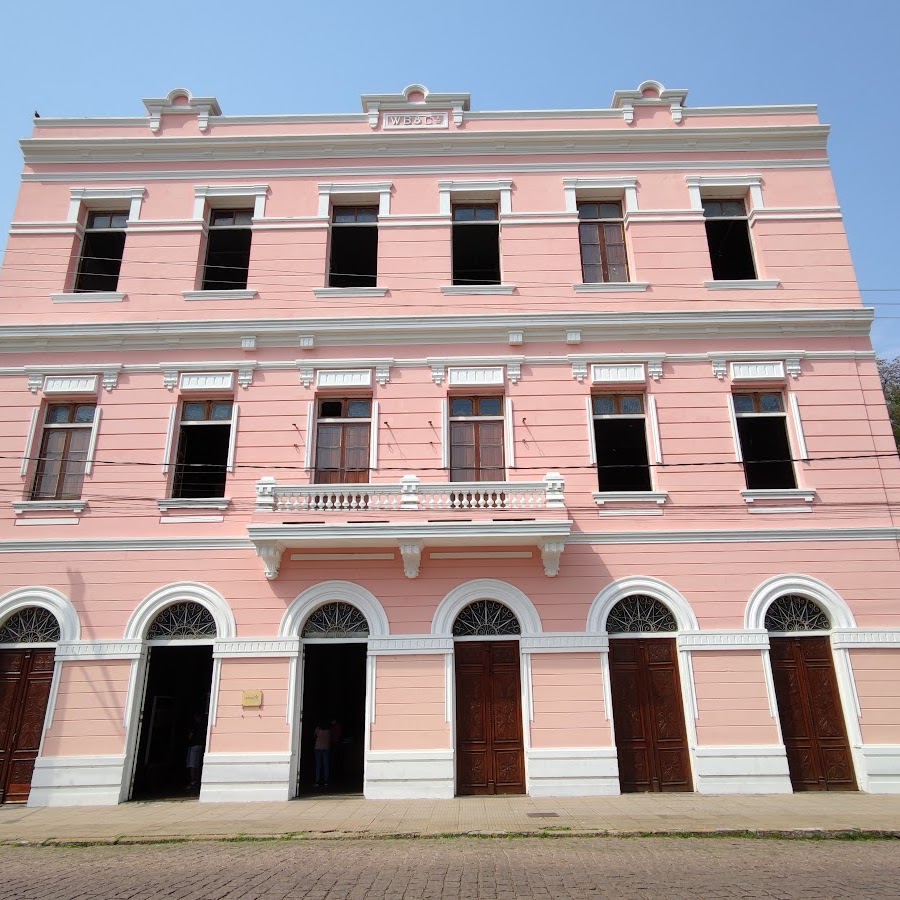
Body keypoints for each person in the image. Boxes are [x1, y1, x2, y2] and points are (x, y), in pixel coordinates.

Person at [185, 712, 205, 791]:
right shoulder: (202, 726)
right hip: (199, 745)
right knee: (197, 764)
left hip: (194, 746)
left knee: (192, 764)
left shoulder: (194, 726)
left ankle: (193, 782)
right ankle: (196, 781)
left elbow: (190, 736)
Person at [313, 720, 331, 787]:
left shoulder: (317, 729)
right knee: (326, 765)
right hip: (326, 748)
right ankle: (326, 781)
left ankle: (317, 781)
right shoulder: (328, 730)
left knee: (318, 765)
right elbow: (330, 738)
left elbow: (314, 737)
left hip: (318, 748)